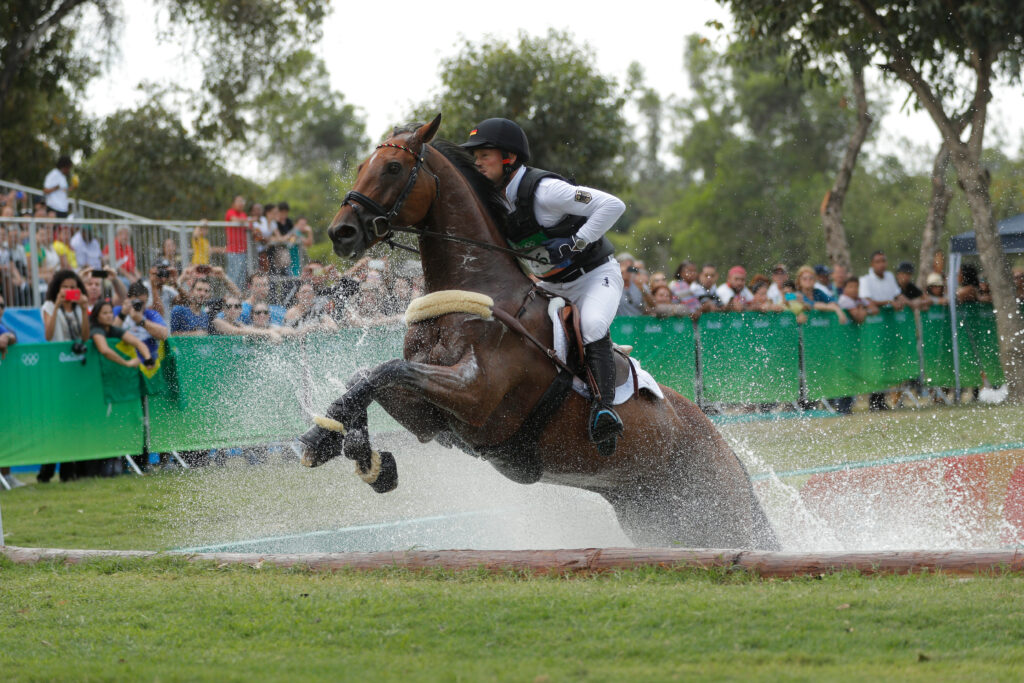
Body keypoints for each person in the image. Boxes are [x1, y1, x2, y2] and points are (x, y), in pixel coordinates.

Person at [463, 117, 627, 452]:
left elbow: (613, 205)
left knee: (593, 326)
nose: (477, 162)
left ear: (509, 157)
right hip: (549, 286)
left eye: (484, 155)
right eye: (475, 156)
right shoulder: (491, 199)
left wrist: (576, 242)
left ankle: (603, 411)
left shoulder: (545, 191)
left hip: (595, 277)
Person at [114, 281, 170, 360]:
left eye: (142, 303)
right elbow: (109, 335)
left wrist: (142, 321)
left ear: (147, 301)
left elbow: (164, 334)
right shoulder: (118, 311)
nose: (138, 306)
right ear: (128, 299)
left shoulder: (151, 314)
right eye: (135, 302)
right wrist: (122, 315)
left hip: (147, 360)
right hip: (123, 359)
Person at [41, 269, 90, 343]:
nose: (69, 290)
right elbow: (48, 337)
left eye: (72, 287)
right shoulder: (49, 306)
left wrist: (84, 309)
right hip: (59, 351)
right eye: (65, 287)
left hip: (78, 351)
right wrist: (56, 306)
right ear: (57, 288)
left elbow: (85, 338)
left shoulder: (79, 305)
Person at [224, 195, 249, 288]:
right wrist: (246, 220)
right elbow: (235, 220)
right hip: (233, 250)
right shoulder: (230, 212)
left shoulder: (243, 214)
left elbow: (248, 224)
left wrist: (246, 221)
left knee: (241, 277)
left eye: (242, 201)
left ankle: (239, 298)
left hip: (243, 251)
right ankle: (229, 298)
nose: (241, 203)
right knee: (233, 276)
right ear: (233, 203)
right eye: (238, 201)